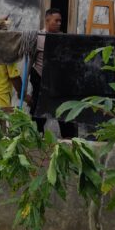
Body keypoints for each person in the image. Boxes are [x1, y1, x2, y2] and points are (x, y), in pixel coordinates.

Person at [29, 8, 78, 138]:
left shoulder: (63, 38)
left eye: (60, 21)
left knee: (64, 112)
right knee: (38, 113)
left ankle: (69, 139)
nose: (59, 23)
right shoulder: (37, 37)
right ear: (47, 20)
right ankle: (37, 137)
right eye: (56, 20)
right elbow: (31, 60)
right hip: (40, 79)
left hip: (58, 82)